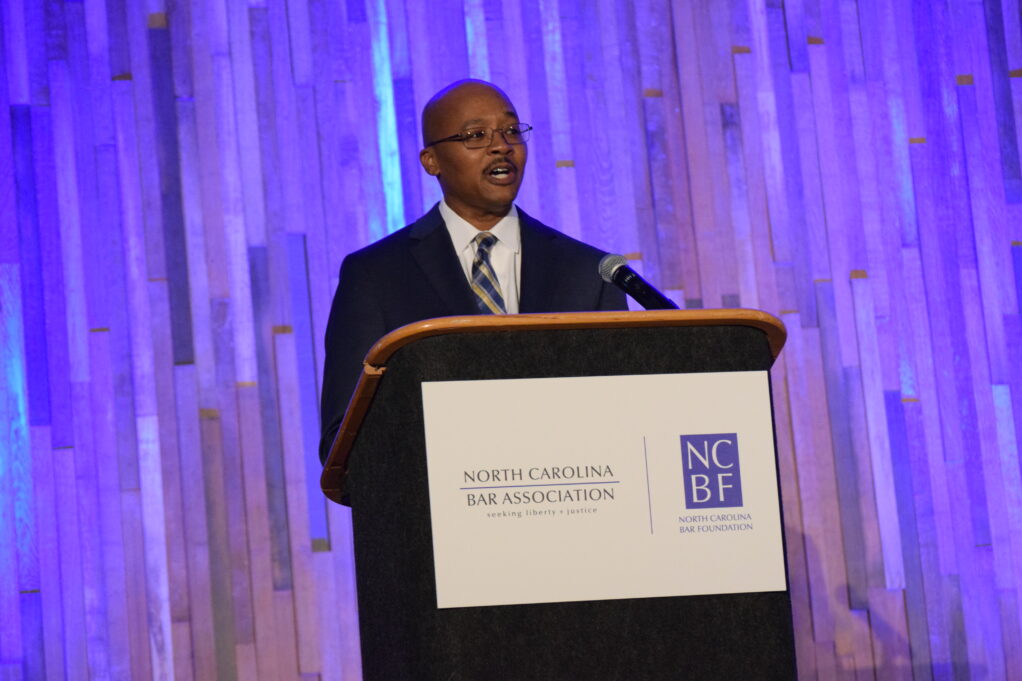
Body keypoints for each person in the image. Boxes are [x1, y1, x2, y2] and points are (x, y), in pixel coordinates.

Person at [319, 79, 628, 464]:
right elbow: (342, 438)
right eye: (476, 135)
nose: (502, 145)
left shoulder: (588, 272)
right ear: (431, 161)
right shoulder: (375, 275)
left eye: (511, 130)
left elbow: (621, 417)